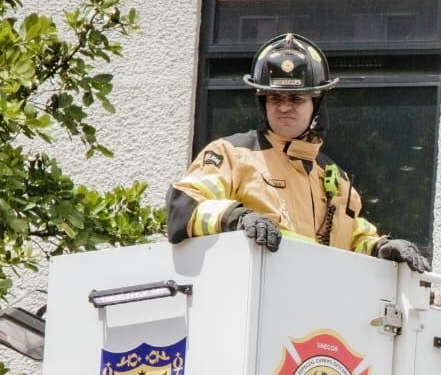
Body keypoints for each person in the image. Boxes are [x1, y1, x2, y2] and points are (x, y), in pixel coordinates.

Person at [166, 32, 427, 271]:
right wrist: (235, 217)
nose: (284, 107)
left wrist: (379, 247)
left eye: (296, 99)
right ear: (262, 103)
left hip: (315, 313)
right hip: (254, 301)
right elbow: (184, 208)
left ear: (316, 104)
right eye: (275, 98)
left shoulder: (336, 180)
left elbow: (352, 238)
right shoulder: (232, 155)